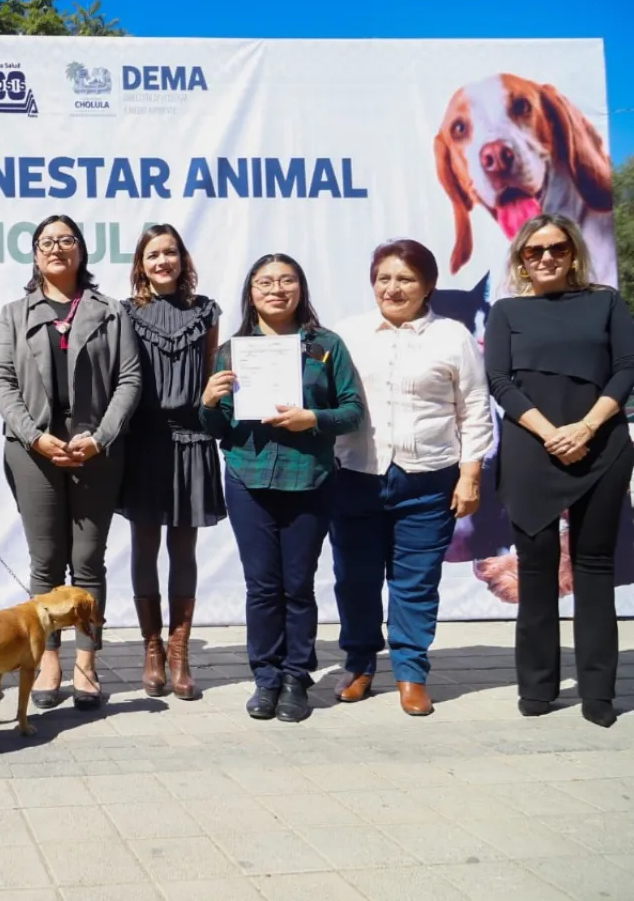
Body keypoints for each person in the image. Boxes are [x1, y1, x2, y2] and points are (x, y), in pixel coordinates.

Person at [483, 213, 634, 728]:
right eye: (535, 250)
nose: (546, 257)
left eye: (558, 248)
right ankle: (537, 687)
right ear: (521, 259)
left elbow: (627, 369)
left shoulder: (606, 303)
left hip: (602, 447)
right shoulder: (506, 311)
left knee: (593, 568)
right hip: (532, 451)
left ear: (573, 254)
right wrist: (551, 433)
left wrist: (586, 428)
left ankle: (598, 692)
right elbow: (500, 382)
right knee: (536, 569)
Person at [331, 239, 493, 716]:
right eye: (384, 278)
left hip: (428, 481)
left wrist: (470, 475)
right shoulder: (347, 335)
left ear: (428, 286)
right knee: (355, 580)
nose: (393, 288)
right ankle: (359, 665)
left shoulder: (453, 337)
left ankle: (411, 673)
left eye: (405, 279)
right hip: (356, 475)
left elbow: (475, 409)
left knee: (415, 582)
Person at [200, 253, 363, 723]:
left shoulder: (326, 346)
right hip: (248, 478)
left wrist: (313, 418)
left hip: (308, 477)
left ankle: (296, 678)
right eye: (265, 282)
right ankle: (266, 678)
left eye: (286, 280)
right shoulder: (233, 351)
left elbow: (353, 411)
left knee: (297, 585)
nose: (276, 289)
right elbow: (218, 427)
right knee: (262, 586)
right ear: (250, 294)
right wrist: (207, 403)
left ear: (300, 288)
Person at [0, 214, 141, 710]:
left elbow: (130, 379)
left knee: (88, 559)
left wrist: (101, 437)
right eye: (47, 242)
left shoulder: (110, 311)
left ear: (81, 251)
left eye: (66, 240)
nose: (57, 248)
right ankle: (49, 658)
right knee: (47, 560)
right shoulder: (14, 313)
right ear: (35, 254)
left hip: (94, 450)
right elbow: (1, 381)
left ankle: (87, 663)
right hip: (33, 451)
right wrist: (34, 437)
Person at [116, 224, 224, 699]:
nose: (162, 261)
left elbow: (212, 371)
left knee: (184, 551)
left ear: (183, 259)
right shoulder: (125, 313)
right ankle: (152, 650)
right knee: (144, 547)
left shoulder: (205, 311)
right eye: (153, 254)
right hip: (143, 442)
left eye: (170, 252)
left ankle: (179, 654)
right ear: (141, 264)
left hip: (192, 439)